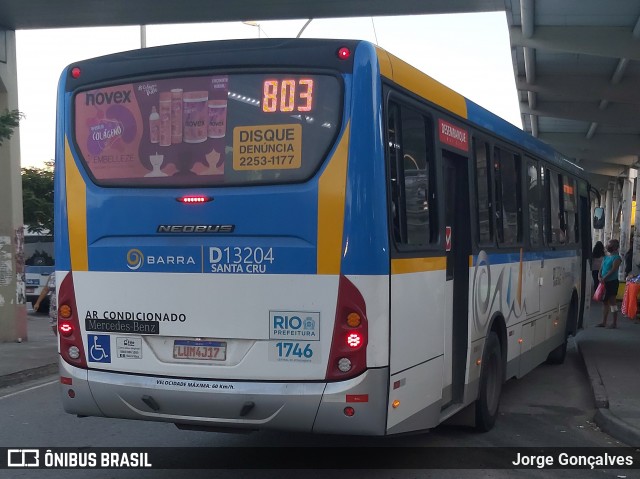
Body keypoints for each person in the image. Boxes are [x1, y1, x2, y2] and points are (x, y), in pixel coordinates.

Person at [597, 239, 622, 329]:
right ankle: (604, 322)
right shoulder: (606, 257)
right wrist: (599, 276)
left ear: (615, 247)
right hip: (604, 282)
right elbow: (601, 268)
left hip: (612, 282)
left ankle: (614, 322)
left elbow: (613, 270)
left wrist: (604, 278)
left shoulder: (617, 258)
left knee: (612, 302)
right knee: (604, 301)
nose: (607, 247)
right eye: (607, 245)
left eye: (609, 245)